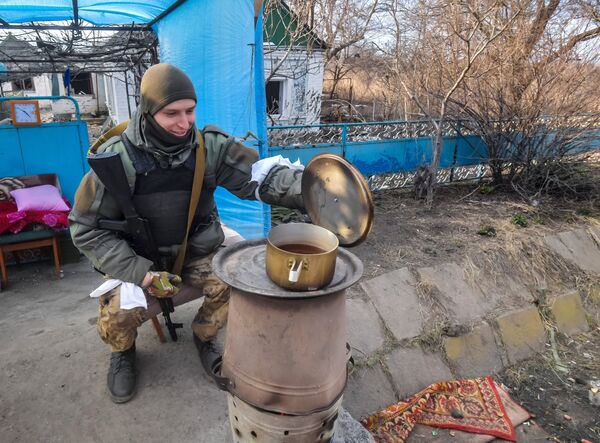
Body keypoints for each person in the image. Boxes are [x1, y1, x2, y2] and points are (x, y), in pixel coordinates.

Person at [69, 64, 304, 403]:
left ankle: (204, 336)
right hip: (139, 261)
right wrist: (141, 274)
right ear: (148, 112)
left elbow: (259, 178)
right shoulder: (117, 159)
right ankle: (123, 353)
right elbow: (84, 228)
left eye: (190, 111)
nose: (184, 123)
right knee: (116, 315)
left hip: (195, 252)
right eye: (172, 113)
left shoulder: (209, 148)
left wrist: (308, 187)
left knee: (234, 281)